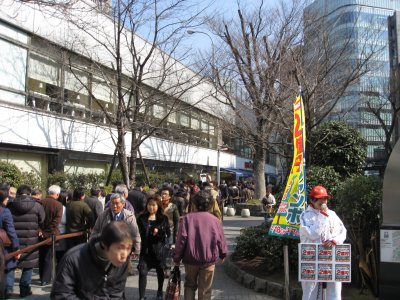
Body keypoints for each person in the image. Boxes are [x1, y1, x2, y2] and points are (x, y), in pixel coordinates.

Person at [51, 221, 135, 299]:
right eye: (120, 248)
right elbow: (61, 294)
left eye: (128, 248)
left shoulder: (122, 261)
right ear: (104, 244)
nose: (124, 255)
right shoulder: (73, 258)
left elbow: (117, 292)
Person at [173, 190, 227, 300]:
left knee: (189, 286)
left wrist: (177, 257)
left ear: (194, 204)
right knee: (205, 290)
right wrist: (223, 254)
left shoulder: (187, 218)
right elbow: (221, 239)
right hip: (209, 260)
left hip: (190, 259)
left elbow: (181, 240)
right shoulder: (215, 220)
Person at [300, 185, 347, 300]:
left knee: (335, 290)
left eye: (325, 198)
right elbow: (312, 234)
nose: (323, 201)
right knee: (310, 291)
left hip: (331, 257)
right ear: (312, 200)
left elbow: (343, 231)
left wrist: (335, 240)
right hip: (312, 258)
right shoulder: (305, 216)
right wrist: (322, 215)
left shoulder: (332, 214)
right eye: (320, 198)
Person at [7, 185, 45, 298]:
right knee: (28, 265)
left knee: (11, 264)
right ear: (29, 193)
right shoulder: (37, 206)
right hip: (31, 239)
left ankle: (8, 290)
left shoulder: (10, 205)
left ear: (18, 193)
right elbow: (42, 220)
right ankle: (24, 290)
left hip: (12, 240)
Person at [136, 194, 170, 300]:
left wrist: (159, 231)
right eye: (149, 205)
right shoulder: (141, 218)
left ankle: (159, 291)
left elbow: (168, 233)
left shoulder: (163, 218)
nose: (151, 207)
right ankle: (141, 297)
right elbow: (137, 233)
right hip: (145, 250)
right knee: (142, 272)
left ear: (158, 206)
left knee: (160, 271)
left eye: (154, 205)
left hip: (159, 250)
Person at [91, 193, 141, 258]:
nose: (114, 206)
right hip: (107, 249)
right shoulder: (103, 215)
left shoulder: (129, 216)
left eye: (117, 203)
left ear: (123, 204)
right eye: (112, 203)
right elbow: (95, 231)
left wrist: (137, 249)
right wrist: (91, 246)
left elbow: (135, 233)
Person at [38, 185, 63, 286]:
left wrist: (40, 231)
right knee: (48, 257)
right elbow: (56, 222)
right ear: (57, 194)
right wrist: (48, 233)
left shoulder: (40, 202)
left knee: (41, 255)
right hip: (52, 234)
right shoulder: (58, 205)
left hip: (40, 233)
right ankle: (45, 279)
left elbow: (37, 219)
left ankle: (41, 276)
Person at [0, 189, 20, 299]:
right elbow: (11, 231)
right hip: (3, 245)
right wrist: (16, 247)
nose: (8, 198)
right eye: (6, 197)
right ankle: (7, 290)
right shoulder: (5, 211)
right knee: (8, 266)